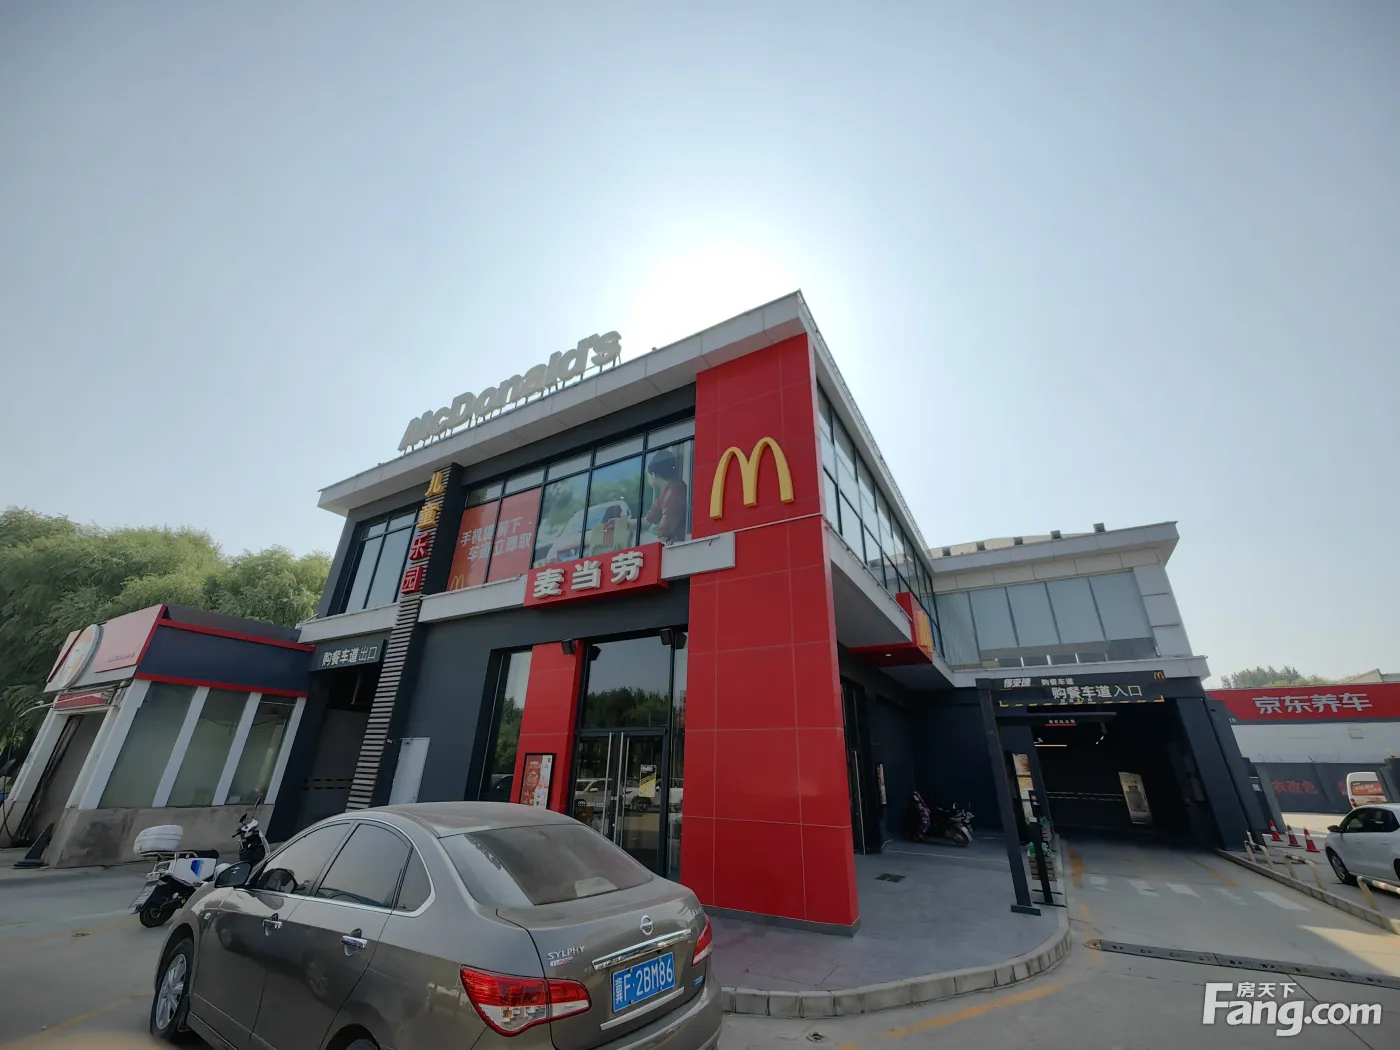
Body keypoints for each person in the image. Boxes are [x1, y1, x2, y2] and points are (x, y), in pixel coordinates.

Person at [643, 448, 689, 543]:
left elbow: (664, 533)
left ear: (653, 474)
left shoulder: (674, 491)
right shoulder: (666, 490)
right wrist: (626, 523)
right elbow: (648, 520)